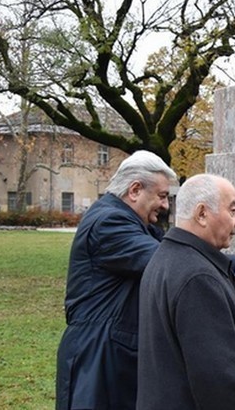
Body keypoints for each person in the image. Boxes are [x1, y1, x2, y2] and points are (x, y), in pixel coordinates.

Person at [137, 174, 235, 409]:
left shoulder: (167, 258)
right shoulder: (198, 279)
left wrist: (233, 302)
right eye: (232, 210)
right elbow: (222, 386)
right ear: (202, 214)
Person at [55, 151, 177, 410]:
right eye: (162, 196)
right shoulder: (110, 222)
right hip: (98, 359)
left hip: (108, 356)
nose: (165, 205)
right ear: (135, 190)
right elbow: (165, 262)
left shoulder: (129, 220)